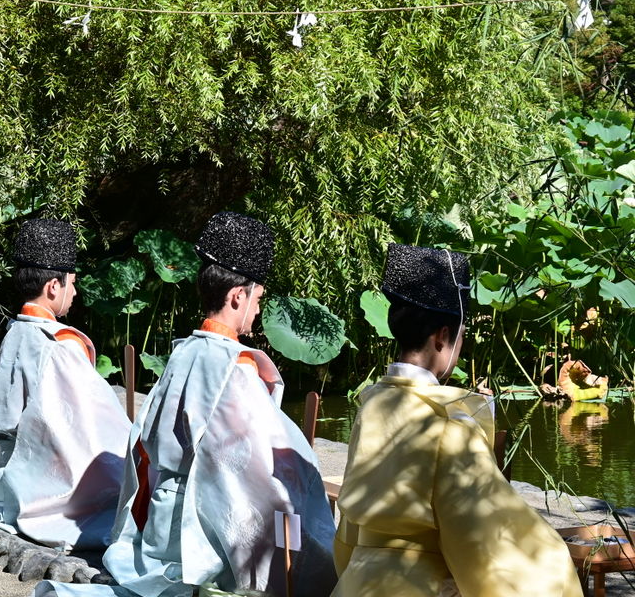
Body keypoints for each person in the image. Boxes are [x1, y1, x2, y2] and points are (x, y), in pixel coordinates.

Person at [38, 213, 336, 596]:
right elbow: (252, 468)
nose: (258, 311)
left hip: (161, 525)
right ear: (237, 296)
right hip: (203, 530)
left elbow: (142, 442)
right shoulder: (234, 370)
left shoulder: (183, 352)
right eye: (258, 299)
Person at [332, 244, 579, 597]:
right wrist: (551, 555)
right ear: (442, 337)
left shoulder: (373, 403)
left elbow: (349, 532)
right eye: (461, 336)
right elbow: (486, 543)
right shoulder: (448, 423)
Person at [0, 219, 130, 550]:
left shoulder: (16, 331)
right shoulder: (58, 346)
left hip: (4, 483)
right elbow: (100, 429)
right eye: (71, 284)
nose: (74, 292)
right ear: (52, 287)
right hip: (41, 495)